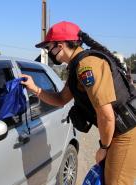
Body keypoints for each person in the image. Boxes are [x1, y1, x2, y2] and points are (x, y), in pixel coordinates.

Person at [21, 21, 136, 185]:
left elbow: (106, 116)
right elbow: (61, 99)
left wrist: (103, 148)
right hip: (117, 131)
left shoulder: (86, 66)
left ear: (59, 46)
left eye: (48, 48)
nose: (48, 52)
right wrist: (35, 89)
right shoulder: (77, 66)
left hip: (126, 132)